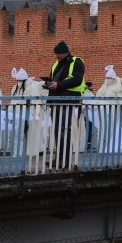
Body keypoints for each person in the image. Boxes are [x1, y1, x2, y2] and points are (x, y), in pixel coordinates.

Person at [46, 41, 85, 169]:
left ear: (65, 52)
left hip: (68, 100)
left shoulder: (76, 62)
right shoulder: (55, 64)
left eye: (58, 54)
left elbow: (77, 79)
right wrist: (48, 84)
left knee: (64, 130)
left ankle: (66, 159)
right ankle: (59, 158)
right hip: (56, 100)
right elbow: (54, 79)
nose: (56, 56)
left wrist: (59, 85)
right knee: (57, 130)